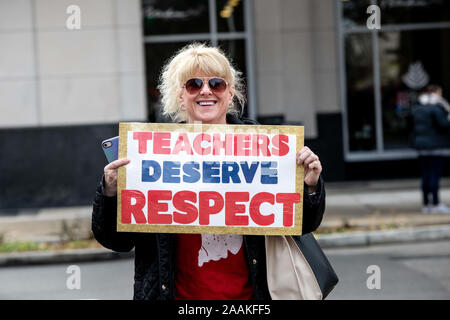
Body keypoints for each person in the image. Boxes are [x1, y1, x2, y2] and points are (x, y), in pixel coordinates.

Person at [92, 43, 326, 300]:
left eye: (217, 84)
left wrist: (310, 186)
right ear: (180, 95)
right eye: (194, 84)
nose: (206, 91)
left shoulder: (266, 148)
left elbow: (303, 225)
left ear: (230, 92)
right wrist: (111, 192)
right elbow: (117, 242)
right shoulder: (150, 152)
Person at [412, 85, 450, 214]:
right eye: (440, 93)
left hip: (421, 147)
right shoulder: (437, 108)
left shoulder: (418, 108)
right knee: (434, 175)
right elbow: (444, 125)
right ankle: (436, 204)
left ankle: (425, 204)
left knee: (425, 175)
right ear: (436, 94)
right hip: (436, 147)